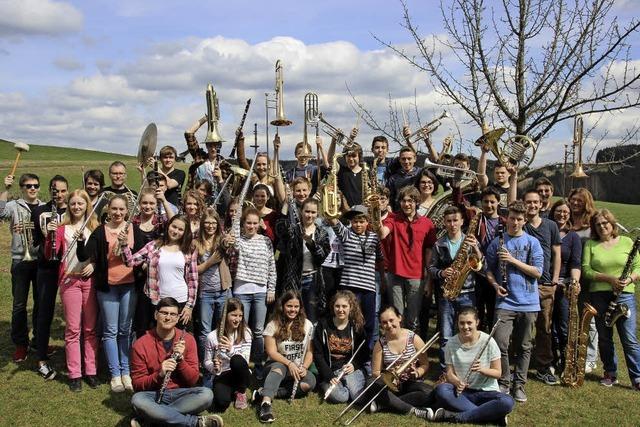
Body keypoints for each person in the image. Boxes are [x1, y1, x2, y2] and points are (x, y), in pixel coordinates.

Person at [77, 195, 145, 392]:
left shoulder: (134, 230)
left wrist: (126, 247)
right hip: (109, 287)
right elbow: (84, 256)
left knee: (125, 331)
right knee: (110, 331)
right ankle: (115, 374)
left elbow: (142, 257)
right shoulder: (100, 231)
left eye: (121, 209)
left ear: (127, 210)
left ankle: (126, 372)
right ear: (108, 209)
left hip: (129, 286)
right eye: (114, 209)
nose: (118, 213)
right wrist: (81, 241)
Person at [130, 297, 222, 427]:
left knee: (207, 395)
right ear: (156, 315)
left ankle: (152, 418)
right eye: (164, 313)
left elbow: (193, 380)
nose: (168, 318)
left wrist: (181, 362)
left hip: (181, 393)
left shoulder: (188, 339)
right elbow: (137, 385)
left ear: (178, 318)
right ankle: (194, 422)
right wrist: (159, 374)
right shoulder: (140, 344)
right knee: (137, 400)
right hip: (153, 394)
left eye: (173, 314)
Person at [485, 200, 543, 402]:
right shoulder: (497, 242)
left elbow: (537, 272)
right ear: (506, 218)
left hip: (528, 302)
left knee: (524, 346)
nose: (515, 222)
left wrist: (512, 260)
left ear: (524, 220)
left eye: (519, 219)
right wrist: (494, 285)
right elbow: (488, 270)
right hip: (505, 302)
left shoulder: (532, 243)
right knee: (499, 343)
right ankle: (504, 381)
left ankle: (520, 384)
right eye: (512, 218)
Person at [45, 189, 100, 392]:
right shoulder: (62, 229)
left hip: (89, 281)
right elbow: (50, 254)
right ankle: (75, 373)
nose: (77, 207)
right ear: (69, 206)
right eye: (73, 204)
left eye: (81, 204)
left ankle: (91, 370)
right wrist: (49, 234)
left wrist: (94, 264)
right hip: (70, 281)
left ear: (87, 205)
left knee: (90, 329)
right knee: (73, 329)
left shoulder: (95, 227)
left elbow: (101, 255)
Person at [582, 209, 640, 390]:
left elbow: (638, 266)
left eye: (605, 223)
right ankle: (610, 373)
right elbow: (586, 270)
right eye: (598, 224)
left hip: (624, 295)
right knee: (605, 337)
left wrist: (628, 280)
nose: (602, 227)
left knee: (629, 338)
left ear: (612, 223)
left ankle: (637, 377)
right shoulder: (591, 244)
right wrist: (610, 279)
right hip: (600, 295)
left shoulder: (627, 241)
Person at [432, 307, 514, 425]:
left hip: (487, 392)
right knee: (441, 390)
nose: (465, 327)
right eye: (462, 323)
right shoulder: (451, 343)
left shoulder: (489, 341)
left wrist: (482, 370)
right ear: (458, 323)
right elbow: (449, 373)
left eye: (469, 323)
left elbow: (498, 373)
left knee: (507, 401)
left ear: (477, 322)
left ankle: (456, 416)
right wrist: (457, 382)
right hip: (464, 393)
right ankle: (490, 415)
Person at [429, 206, 482, 373]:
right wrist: (442, 272)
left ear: (462, 221)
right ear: (444, 223)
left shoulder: (470, 240)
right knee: (445, 335)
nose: (452, 224)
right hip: (447, 295)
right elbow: (431, 268)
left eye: (455, 220)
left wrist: (476, 249)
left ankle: (467, 369)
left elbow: (480, 265)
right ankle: (446, 372)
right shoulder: (439, 244)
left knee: (469, 333)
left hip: (467, 293)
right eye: (449, 221)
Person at [360, 305, 436, 420]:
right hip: (391, 386)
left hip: (410, 384)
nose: (389, 325)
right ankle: (412, 410)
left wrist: (416, 373)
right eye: (384, 322)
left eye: (391, 320)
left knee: (429, 393)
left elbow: (425, 364)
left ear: (399, 318)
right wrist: (388, 375)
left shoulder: (414, 338)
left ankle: (384, 404)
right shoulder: (380, 344)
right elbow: (375, 372)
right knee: (371, 383)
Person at [121, 215, 198, 328]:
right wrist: (124, 245)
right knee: (157, 336)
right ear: (168, 226)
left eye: (180, 229)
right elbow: (130, 262)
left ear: (185, 232)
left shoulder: (189, 249)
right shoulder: (154, 246)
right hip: (158, 300)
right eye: (174, 226)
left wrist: (189, 306)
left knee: (178, 339)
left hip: (180, 300)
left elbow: (193, 279)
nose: (176, 231)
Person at [379, 186, 436, 333]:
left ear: (416, 202)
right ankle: (399, 350)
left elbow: (429, 250)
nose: (406, 204)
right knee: (398, 317)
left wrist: (428, 276)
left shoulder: (427, 223)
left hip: (416, 275)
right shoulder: (393, 219)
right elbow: (382, 234)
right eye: (403, 201)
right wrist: (375, 213)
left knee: (413, 319)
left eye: (410, 201)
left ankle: (413, 352)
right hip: (395, 273)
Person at [253, 291, 315, 423]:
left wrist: (304, 367)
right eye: (289, 306)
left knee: (309, 383)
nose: (293, 310)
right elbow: (271, 352)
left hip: (296, 369)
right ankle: (265, 405)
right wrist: (289, 363)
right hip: (275, 366)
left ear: (300, 307)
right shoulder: (272, 325)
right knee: (279, 367)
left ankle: (263, 392)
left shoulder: (308, 325)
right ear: (282, 306)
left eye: (296, 306)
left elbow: (310, 351)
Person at [0, 173, 44, 362]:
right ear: (22, 188)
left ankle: (37, 341)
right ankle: (20, 343)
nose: (32, 188)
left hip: (40, 259)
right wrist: (6, 189)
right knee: (19, 305)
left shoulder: (44, 207)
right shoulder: (14, 205)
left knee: (40, 303)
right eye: (28, 186)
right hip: (20, 259)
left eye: (35, 185)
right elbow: (0, 213)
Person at [229, 206, 277, 375]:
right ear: (243, 224)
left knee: (258, 330)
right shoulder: (238, 240)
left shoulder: (266, 241)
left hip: (260, 291)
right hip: (242, 290)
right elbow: (232, 235)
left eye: (255, 223)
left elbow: (272, 265)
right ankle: (239, 362)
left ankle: (258, 363)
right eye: (248, 223)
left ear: (260, 224)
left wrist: (271, 288)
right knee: (241, 328)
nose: (251, 226)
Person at [327, 205, 381, 351]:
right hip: (350, 286)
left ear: (367, 222)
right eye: (355, 221)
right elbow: (332, 220)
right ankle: (348, 351)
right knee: (350, 321)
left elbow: (382, 233)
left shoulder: (373, 237)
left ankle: (367, 352)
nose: (358, 224)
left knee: (369, 323)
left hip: (368, 287)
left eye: (362, 221)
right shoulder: (346, 234)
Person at [522, 189, 562, 385]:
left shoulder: (551, 225)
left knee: (544, 328)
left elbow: (556, 253)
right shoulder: (520, 224)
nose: (532, 205)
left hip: (545, 284)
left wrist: (554, 279)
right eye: (528, 202)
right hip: (524, 285)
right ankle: (519, 365)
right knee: (523, 327)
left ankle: (544, 367)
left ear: (541, 204)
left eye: (535, 202)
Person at [33, 175, 68, 380]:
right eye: (57, 191)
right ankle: (41, 358)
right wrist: (48, 238)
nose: (60, 195)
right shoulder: (39, 211)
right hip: (46, 267)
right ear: (51, 190)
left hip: (67, 268)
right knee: (44, 311)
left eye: (64, 190)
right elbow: (35, 242)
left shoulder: (72, 210)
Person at [276, 198, 330, 322]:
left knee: (311, 318)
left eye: (313, 212)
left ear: (317, 214)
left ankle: (310, 342)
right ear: (301, 211)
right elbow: (280, 229)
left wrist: (311, 243)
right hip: (293, 280)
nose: (309, 215)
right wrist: (285, 205)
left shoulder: (322, 233)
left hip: (312, 280)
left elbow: (322, 257)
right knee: (290, 316)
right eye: (307, 211)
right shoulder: (294, 229)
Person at [313, 290, 367, 403]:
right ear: (332, 307)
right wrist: (328, 375)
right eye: (337, 306)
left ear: (350, 307)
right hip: (330, 371)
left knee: (358, 398)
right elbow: (318, 355)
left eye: (344, 306)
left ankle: (348, 383)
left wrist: (354, 365)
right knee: (341, 398)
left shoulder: (356, 327)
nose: (340, 310)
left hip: (348, 370)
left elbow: (364, 352)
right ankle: (326, 384)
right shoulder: (322, 325)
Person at [548, 199, 582, 373]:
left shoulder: (573, 236)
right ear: (553, 211)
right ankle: (551, 359)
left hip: (564, 286)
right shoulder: (546, 230)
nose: (562, 215)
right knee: (547, 324)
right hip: (546, 283)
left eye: (565, 212)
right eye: (559, 211)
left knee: (563, 325)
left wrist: (574, 281)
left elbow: (576, 263)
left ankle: (566, 361)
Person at [568, 187, 599, 372]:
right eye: (573, 200)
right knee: (572, 318)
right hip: (571, 277)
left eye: (579, 200)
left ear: (586, 202)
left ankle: (590, 357)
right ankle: (571, 353)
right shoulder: (566, 221)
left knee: (589, 318)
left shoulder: (592, 224)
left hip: (588, 278)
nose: (575, 203)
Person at [194, 209, 232, 359]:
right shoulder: (195, 243)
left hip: (223, 290)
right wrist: (210, 262)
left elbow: (227, 245)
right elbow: (192, 270)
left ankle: (222, 358)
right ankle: (206, 361)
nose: (210, 226)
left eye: (214, 223)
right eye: (207, 222)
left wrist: (229, 242)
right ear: (203, 224)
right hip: (205, 292)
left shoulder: (221, 240)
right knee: (205, 331)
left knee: (223, 328)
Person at [203, 298, 252, 411]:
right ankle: (232, 390)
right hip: (223, 374)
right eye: (234, 315)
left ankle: (241, 391)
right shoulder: (212, 336)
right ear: (225, 315)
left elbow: (244, 360)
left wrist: (231, 349)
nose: (237, 319)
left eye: (240, 316)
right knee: (222, 403)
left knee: (236, 359)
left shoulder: (246, 332)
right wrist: (215, 368)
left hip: (242, 374)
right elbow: (206, 361)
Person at [387, 146, 421, 211]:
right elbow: (390, 198)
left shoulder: (421, 173)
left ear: (415, 159)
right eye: (403, 159)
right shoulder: (393, 178)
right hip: (399, 213)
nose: (406, 162)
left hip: (418, 212)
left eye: (409, 158)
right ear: (399, 159)